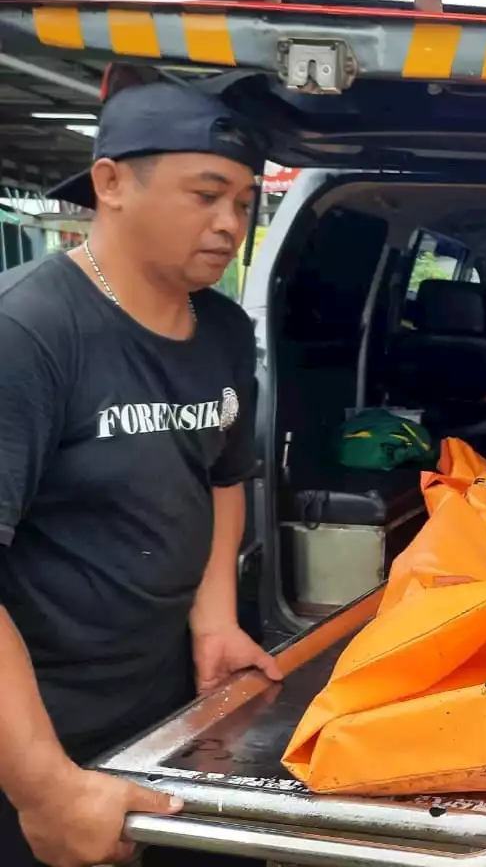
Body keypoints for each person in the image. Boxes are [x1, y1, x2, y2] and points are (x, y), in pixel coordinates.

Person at [0, 81, 282, 867]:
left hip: (169, 717)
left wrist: (216, 620)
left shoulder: (224, 329)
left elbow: (224, 475)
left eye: (244, 201)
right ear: (111, 183)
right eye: (206, 194)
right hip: (35, 732)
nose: (230, 223)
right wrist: (46, 789)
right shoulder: (29, 335)